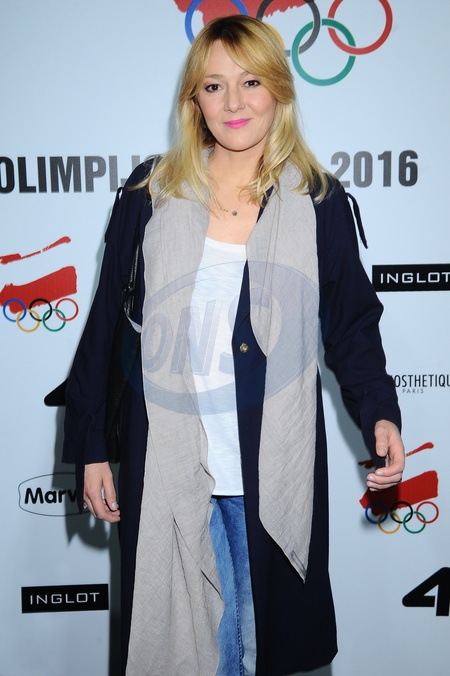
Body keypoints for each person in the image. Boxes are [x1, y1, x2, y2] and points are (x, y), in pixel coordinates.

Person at [63, 14, 405, 676]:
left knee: (260, 653)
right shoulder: (150, 192)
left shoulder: (319, 201)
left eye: (251, 82)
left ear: (278, 88)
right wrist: (92, 446)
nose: (234, 102)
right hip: (168, 468)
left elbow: (352, 327)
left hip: (270, 474)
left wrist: (380, 414)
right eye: (214, 86)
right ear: (194, 99)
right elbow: (106, 326)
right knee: (187, 653)